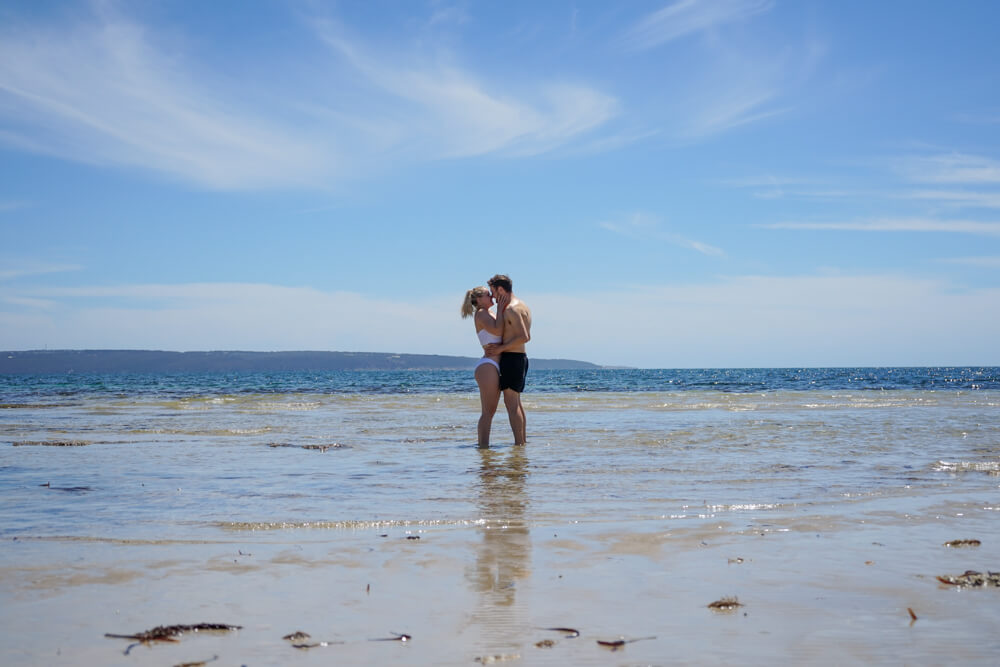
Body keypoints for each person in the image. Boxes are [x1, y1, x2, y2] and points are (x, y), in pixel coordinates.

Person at [483, 274, 532, 446]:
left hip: (513, 359)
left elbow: (524, 336)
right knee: (516, 403)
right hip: (519, 358)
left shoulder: (512, 309)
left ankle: (519, 444)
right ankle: (522, 443)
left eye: (493, 292)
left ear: (501, 289)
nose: (493, 297)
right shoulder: (522, 304)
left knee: (511, 404)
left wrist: (500, 349)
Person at [462, 285, 509, 447]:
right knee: (487, 412)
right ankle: (483, 448)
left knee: (491, 411)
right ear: (478, 300)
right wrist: (503, 307)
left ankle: (485, 448)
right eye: (488, 295)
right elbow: (498, 329)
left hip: (493, 365)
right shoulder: (481, 314)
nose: (492, 296)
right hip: (488, 366)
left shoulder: (489, 313)